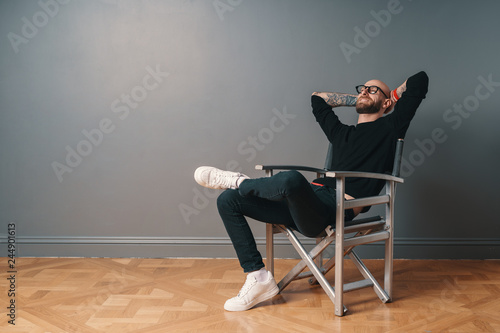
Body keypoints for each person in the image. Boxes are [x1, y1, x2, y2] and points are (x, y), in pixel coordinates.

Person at [194, 71, 429, 312]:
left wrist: (393, 95)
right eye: (361, 88)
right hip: (305, 203)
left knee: (292, 179)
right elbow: (317, 99)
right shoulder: (341, 132)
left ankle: (240, 181)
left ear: (387, 102)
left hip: (333, 209)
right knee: (227, 201)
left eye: (372, 90)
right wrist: (359, 98)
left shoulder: (391, 126)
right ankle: (259, 278)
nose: (363, 92)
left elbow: (420, 80)